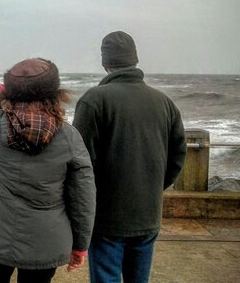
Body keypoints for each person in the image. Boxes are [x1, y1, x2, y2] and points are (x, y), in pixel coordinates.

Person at [0, 58, 96, 283]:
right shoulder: (69, 137)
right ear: (55, 92)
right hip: (45, 239)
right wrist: (80, 246)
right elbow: (83, 196)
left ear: (10, 93)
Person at [73, 31, 187, 283]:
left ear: (105, 63)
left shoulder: (94, 101)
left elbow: (80, 163)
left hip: (107, 217)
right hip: (148, 213)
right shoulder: (164, 102)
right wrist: (153, 186)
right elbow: (178, 155)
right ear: (135, 60)